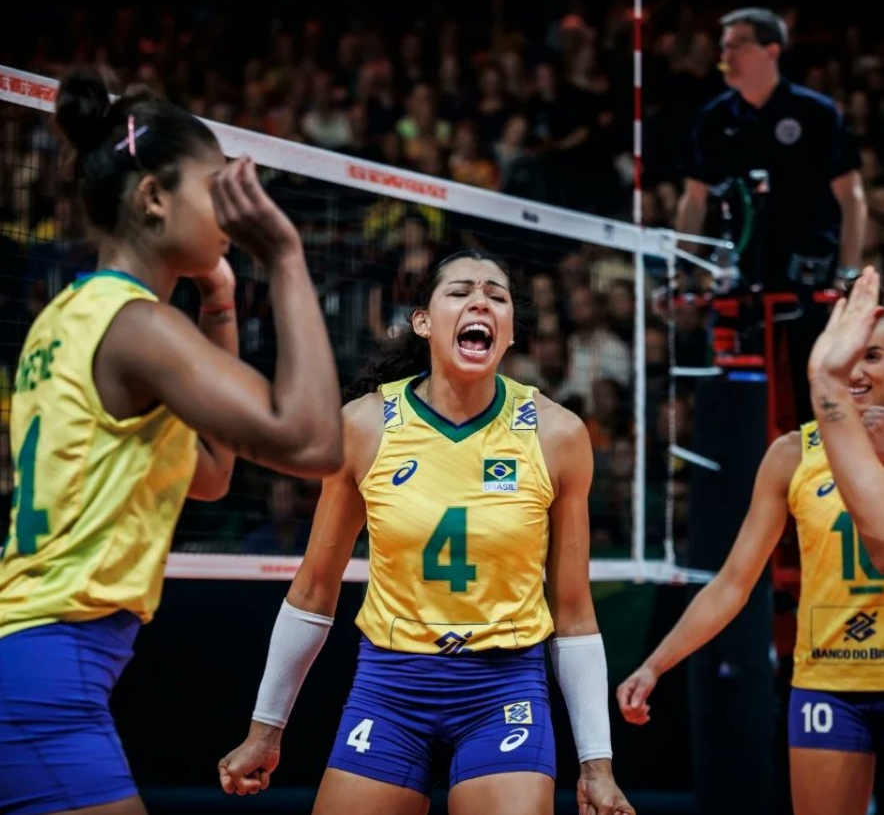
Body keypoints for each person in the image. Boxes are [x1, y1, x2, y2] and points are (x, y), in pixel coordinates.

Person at [0, 68, 344, 815]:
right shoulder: (141, 330)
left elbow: (213, 473)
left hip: (32, 657)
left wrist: (220, 300)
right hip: (45, 677)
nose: (228, 205)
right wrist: (284, 259)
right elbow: (315, 443)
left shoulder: (68, 319)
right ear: (155, 197)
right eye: (213, 186)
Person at [218, 249, 634, 815]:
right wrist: (265, 729)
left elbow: (575, 611)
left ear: (508, 331)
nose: (481, 300)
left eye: (497, 295)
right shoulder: (364, 425)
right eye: (460, 291)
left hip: (503, 686)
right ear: (423, 321)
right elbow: (314, 589)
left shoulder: (557, 434)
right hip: (391, 685)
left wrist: (597, 766)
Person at [617, 267, 884, 815]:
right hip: (830, 682)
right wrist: (655, 665)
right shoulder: (794, 453)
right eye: (846, 354)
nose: (855, 369)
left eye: (873, 356)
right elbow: (733, 584)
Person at [677, 6, 867, 424]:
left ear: (771, 50)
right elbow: (694, 200)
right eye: (723, 47)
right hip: (740, 283)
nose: (725, 55)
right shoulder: (714, 119)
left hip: (808, 282)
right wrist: (683, 272)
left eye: (736, 45)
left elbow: (851, 198)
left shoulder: (815, 114)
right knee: (739, 404)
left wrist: (847, 274)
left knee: (811, 396)